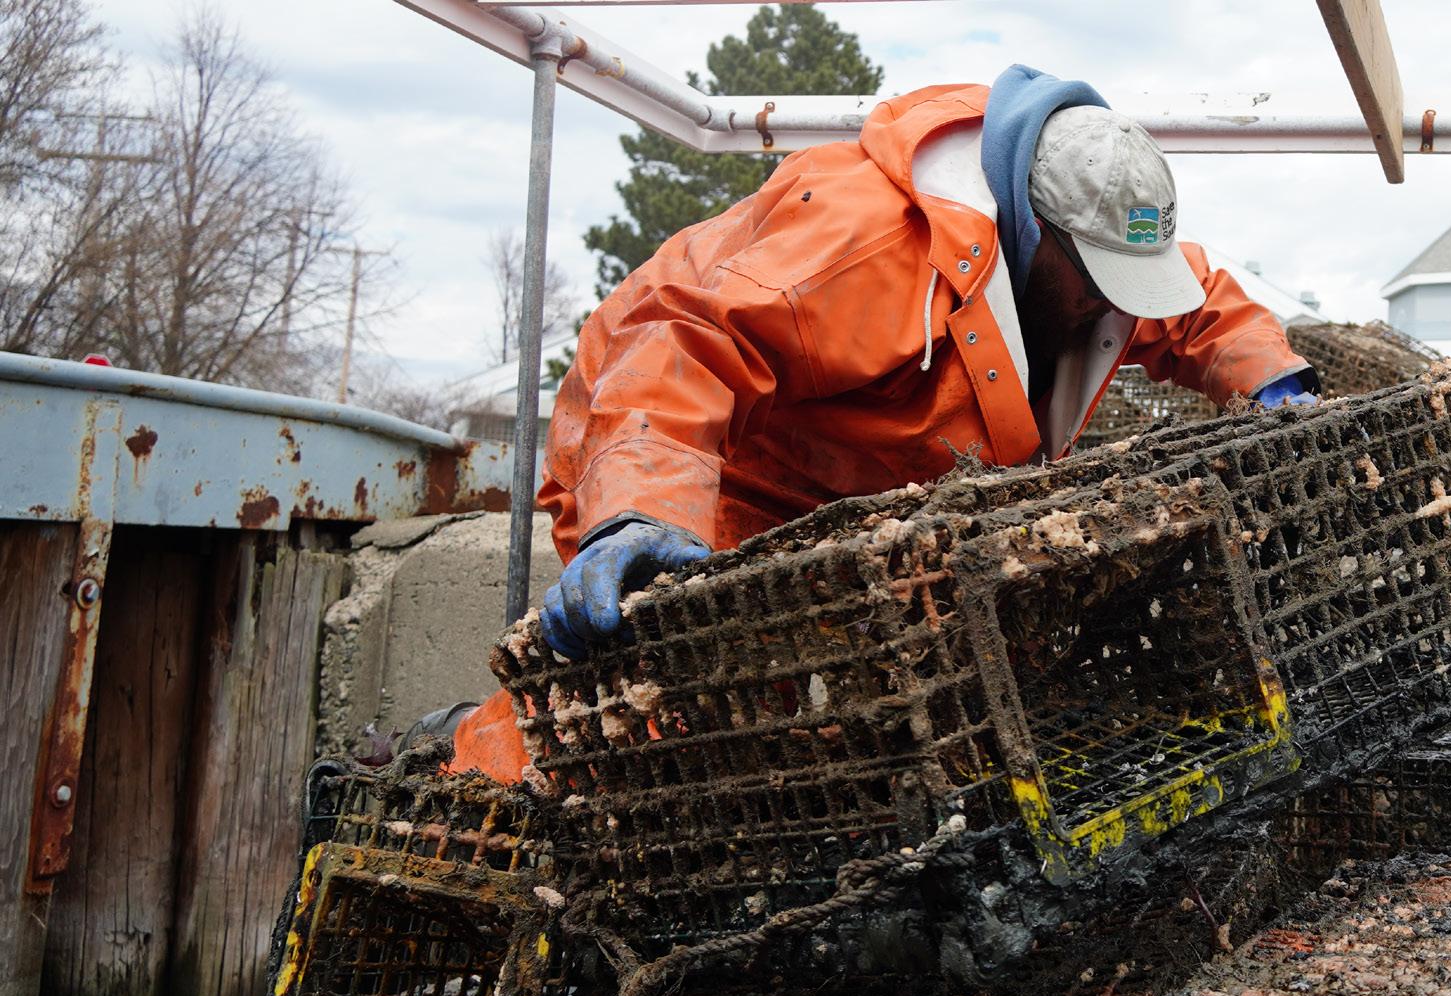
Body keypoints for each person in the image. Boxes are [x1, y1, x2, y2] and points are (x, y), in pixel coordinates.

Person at [439, 68, 1318, 783]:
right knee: (670, 704)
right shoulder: (869, 241)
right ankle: (470, 796)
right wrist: (643, 506)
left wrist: (1274, 384)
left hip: (863, 489)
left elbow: (1198, 309)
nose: (1111, 304)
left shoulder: (1086, 256)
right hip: (697, 462)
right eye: (1095, 278)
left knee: (872, 718)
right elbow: (686, 345)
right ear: (1034, 229)